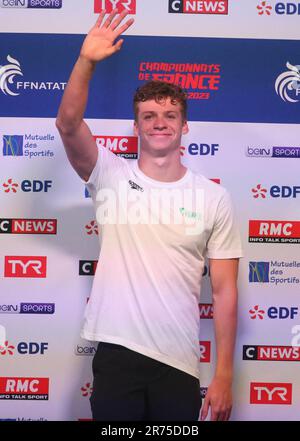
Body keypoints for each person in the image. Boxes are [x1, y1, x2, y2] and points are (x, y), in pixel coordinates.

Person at [56, 9, 243, 422]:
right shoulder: (110, 175)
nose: (160, 123)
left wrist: (224, 374)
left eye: (170, 115)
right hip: (116, 355)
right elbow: (68, 125)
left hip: (178, 362)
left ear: (185, 126)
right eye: (149, 116)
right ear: (137, 126)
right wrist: (85, 60)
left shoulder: (214, 197)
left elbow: (226, 293)